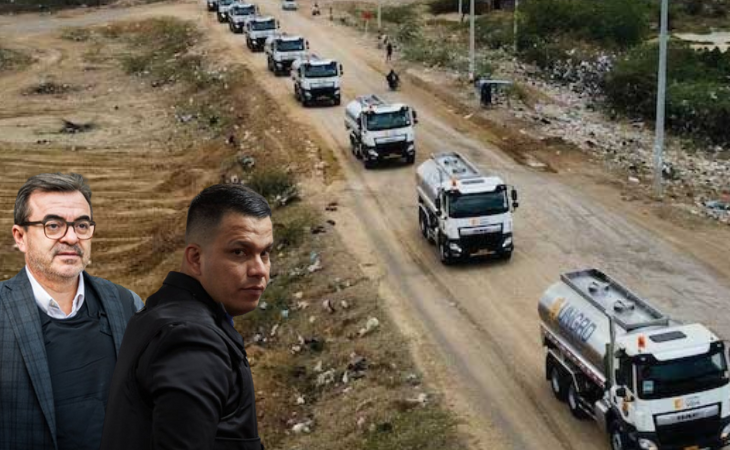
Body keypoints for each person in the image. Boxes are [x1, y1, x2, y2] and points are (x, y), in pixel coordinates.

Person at [101, 183, 272, 450]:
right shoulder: (192, 340)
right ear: (195, 258)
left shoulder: (163, 312)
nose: (259, 270)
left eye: (265, 253)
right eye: (239, 252)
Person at [0, 173, 144, 450]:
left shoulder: (127, 305)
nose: (71, 237)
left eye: (81, 225)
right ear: (20, 237)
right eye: (53, 225)